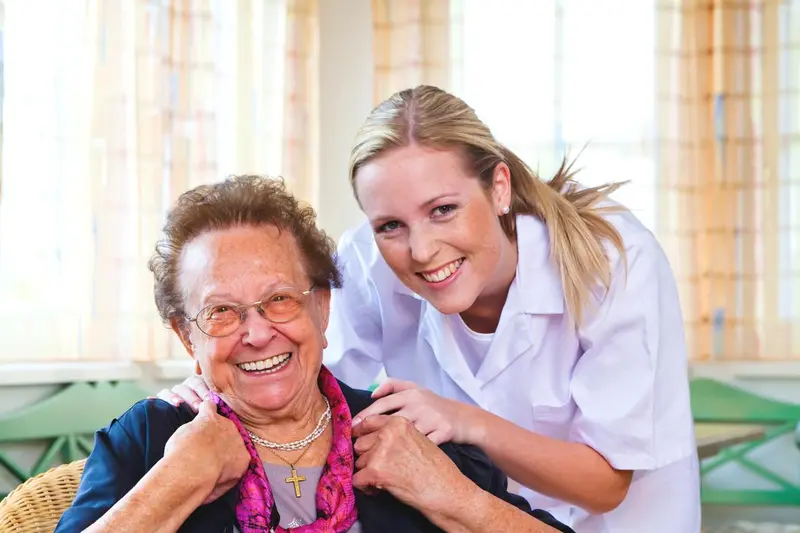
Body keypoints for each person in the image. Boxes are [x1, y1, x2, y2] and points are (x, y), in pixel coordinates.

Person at [158, 86, 701, 532]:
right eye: (390, 225)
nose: (420, 251)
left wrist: (463, 422)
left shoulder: (613, 260)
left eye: (443, 210)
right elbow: (310, 391)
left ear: (499, 187)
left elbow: (605, 485)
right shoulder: (366, 264)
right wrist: (216, 380)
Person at [54, 176, 572, 533]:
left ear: (322, 310)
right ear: (189, 338)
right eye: (222, 312)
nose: (256, 334)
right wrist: (176, 481)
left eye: (279, 299)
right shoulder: (150, 441)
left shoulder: (403, 432)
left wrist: (450, 494)